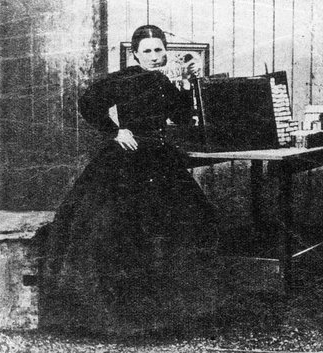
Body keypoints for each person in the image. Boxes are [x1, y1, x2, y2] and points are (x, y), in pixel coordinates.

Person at [37, 25, 218, 335]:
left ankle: (172, 317)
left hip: (160, 159)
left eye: (159, 49)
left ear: (165, 52)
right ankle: (125, 320)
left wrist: (190, 81)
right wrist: (115, 131)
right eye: (146, 51)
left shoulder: (162, 81)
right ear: (135, 54)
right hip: (127, 159)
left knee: (187, 225)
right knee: (120, 231)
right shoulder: (122, 79)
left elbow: (184, 116)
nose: (154, 56)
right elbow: (88, 103)